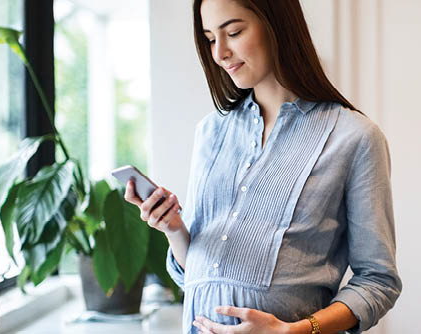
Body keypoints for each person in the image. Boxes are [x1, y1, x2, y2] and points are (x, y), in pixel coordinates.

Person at [123, 0, 401, 333]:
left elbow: (378, 281)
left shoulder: (354, 137)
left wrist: (296, 330)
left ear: (276, 25)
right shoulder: (211, 132)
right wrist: (173, 228)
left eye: (234, 32)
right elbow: (196, 275)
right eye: (211, 38)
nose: (220, 53)